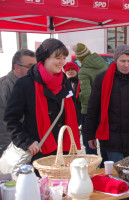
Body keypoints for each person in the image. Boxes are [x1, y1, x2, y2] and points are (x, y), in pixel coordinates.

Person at [4, 38, 81, 168]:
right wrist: (26, 141)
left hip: (64, 151)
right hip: (38, 152)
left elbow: (74, 109)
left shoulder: (65, 82)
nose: (62, 62)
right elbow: (10, 120)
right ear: (45, 58)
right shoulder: (25, 84)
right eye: (58, 58)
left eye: (63, 58)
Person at [72, 43, 108, 156]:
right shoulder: (105, 64)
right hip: (105, 108)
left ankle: (93, 168)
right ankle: (105, 166)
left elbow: (87, 96)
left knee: (89, 143)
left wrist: (79, 96)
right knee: (104, 141)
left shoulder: (84, 71)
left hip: (88, 112)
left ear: (79, 58)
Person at [0, 49, 36, 157]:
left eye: (36, 66)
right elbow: (3, 121)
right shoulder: (3, 86)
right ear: (16, 67)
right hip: (12, 149)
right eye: (30, 66)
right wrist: (7, 148)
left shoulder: (31, 84)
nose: (34, 70)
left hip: (29, 145)